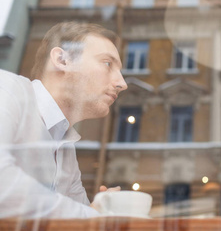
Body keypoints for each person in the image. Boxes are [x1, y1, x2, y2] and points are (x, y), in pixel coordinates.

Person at [0, 21, 128, 218]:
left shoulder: (66, 147)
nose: (122, 83)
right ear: (62, 60)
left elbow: (77, 220)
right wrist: (92, 217)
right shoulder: (6, 90)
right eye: (107, 64)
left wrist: (97, 210)